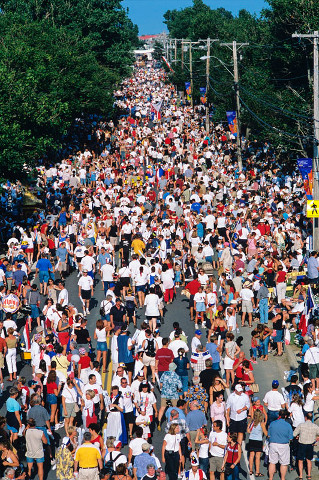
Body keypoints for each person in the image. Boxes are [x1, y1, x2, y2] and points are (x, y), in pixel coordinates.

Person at [268, 409, 293, 480]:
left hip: (273, 444)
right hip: (283, 445)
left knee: (272, 462)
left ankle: (271, 478)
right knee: (283, 463)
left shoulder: (272, 423)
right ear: (285, 416)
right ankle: (282, 478)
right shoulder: (288, 425)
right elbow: (290, 438)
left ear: (279, 415)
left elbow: (269, 435)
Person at [293, 411, 319, 480]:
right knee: (309, 460)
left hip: (302, 444)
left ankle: (301, 476)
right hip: (310, 445)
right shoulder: (315, 426)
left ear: (305, 418)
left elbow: (294, 434)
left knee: (300, 460)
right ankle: (309, 475)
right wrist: (316, 439)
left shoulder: (301, 425)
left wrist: (298, 436)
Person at [247, 410, 267, 476]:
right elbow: (266, 433)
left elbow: (248, 430)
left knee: (251, 455)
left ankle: (250, 470)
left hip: (251, 439)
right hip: (258, 440)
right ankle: (257, 472)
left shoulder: (251, 422)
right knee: (257, 457)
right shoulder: (261, 423)